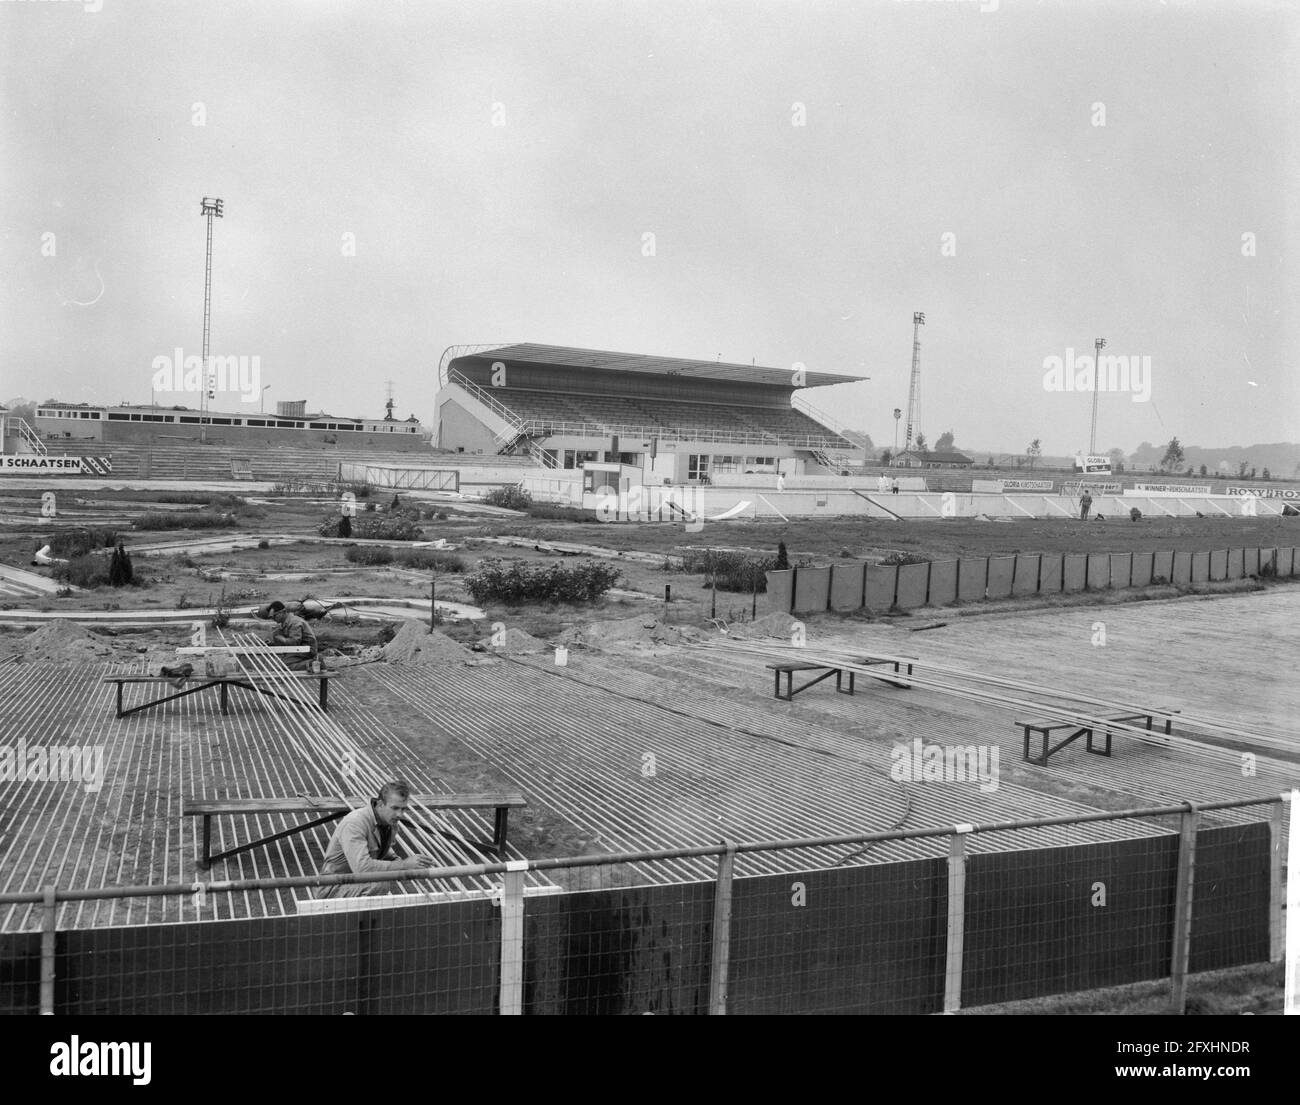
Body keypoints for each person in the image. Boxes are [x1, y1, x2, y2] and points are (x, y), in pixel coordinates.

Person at [315, 781, 435, 899]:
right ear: (381, 804)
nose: (400, 814)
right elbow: (362, 868)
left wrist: (406, 865)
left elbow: (384, 852)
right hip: (333, 887)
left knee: (381, 882)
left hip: (356, 882)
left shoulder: (389, 823)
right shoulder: (355, 823)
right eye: (395, 808)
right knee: (379, 885)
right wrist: (404, 865)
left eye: (403, 809)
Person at [266, 599, 319, 671]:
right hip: (299, 648)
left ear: (283, 612)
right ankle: (310, 663)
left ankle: (314, 663)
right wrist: (272, 643)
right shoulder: (285, 623)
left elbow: (294, 642)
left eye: (274, 616)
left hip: (307, 649)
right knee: (278, 664)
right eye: (272, 617)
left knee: (283, 666)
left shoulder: (294, 622)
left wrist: (281, 638)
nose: (273, 619)